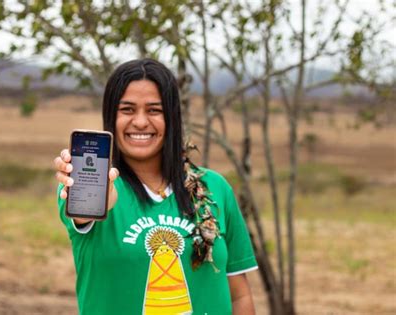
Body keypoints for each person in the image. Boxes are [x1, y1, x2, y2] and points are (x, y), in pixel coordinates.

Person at [54, 58, 258, 315]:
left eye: (154, 110)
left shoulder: (214, 188)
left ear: (172, 117)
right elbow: (82, 212)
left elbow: (239, 295)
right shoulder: (88, 186)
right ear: (110, 116)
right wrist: (95, 195)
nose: (140, 122)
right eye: (127, 110)